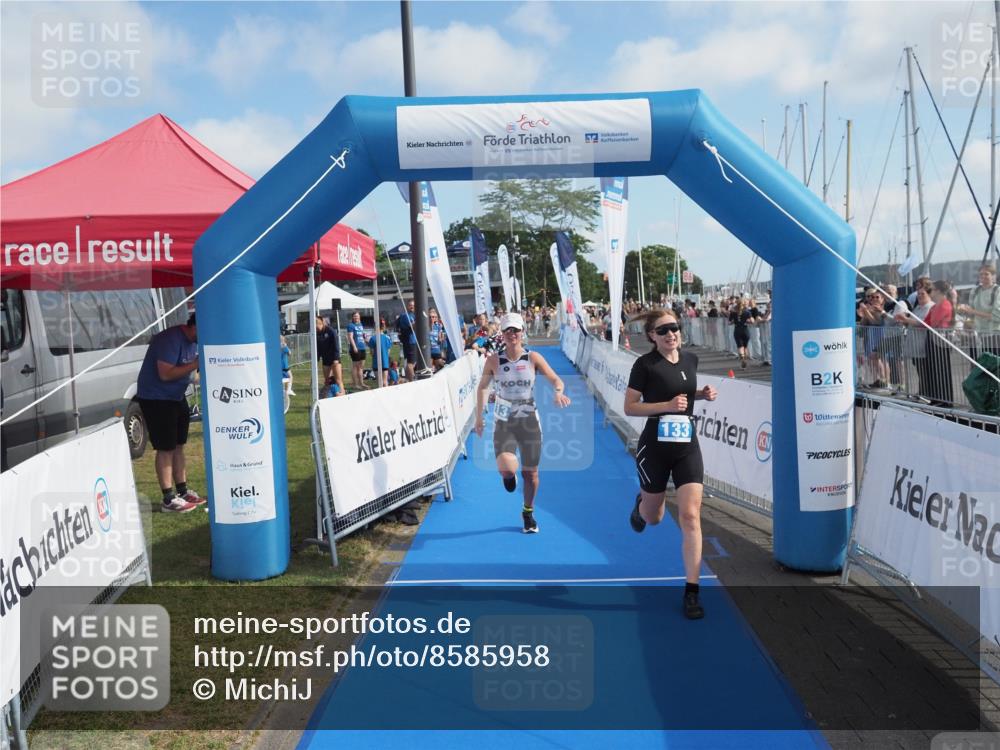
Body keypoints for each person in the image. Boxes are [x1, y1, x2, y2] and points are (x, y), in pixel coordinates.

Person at [623, 308, 718, 620]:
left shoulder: (691, 360)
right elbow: (630, 407)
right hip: (655, 446)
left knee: (690, 516)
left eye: (674, 327)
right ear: (652, 335)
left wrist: (701, 394)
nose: (671, 334)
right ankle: (641, 506)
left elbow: (685, 396)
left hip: (687, 446)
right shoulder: (644, 365)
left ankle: (692, 591)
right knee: (654, 518)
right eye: (663, 330)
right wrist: (666, 405)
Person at [474, 312, 571, 534]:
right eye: (508, 330)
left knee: (531, 474)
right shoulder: (494, 360)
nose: (512, 334)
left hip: (529, 421)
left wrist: (558, 392)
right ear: (502, 334)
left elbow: (556, 379)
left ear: (522, 332)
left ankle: (528, 512)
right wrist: (479, 417)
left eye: (516, 330)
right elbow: (482, 388)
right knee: (507, 469)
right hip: (504, 421)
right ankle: (509, 475)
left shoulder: (533, 358)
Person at [136, 313, 206, 513]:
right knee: (165, 448)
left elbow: (191, 376)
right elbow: (165, 374)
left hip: (176, 397)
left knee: (178, 445)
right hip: (156, 398)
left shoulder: (193, 343)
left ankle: (182, 492)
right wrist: (195, 364)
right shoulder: (170, 339)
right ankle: (168, 498)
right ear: (195, 326)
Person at [958, 263, 1000, 358]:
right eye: (981, 274)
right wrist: (966, 323)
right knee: (978, 362)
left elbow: (997, 316)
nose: (983, 276)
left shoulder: (998, 291)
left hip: (995, 334)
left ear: (993, 276)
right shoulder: (975, 291)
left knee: (994, 362)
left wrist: (973, 311)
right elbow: (970, 313)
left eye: (986, 274)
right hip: (978, 333)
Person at [315, 315, 343, 397]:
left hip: (334, 358)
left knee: (338, 380)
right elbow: (318, 347)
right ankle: (328, 396)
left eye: (317, 324)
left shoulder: (330, 331)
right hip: (325, 359)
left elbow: (336, 345)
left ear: (321, 323)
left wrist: (336, 358)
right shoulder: (316, 333)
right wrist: (317, 358)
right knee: (327, 380)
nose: (316, 327)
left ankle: (342, 394)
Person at [396, 300, 418, 382]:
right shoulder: (405, 316)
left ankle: (407, 379)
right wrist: (420, 319)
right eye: (410, 305)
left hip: (413, 341)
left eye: (413, 305)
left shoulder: (413, 315)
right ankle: (412, 380)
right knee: (411, 362)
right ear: (407, 306)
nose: (412, 307)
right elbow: (412, 327)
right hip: (410, 342)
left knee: (412, 362)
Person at [346, 312, 368, 389]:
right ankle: (355, 384)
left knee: (361, 367)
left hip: (362, 347)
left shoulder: (360, 325)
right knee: (355, 366)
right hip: (355, 348)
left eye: (357, 316)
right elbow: (350, 337)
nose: (356, 317)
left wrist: (365, 339)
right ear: (352, 317)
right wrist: (354, 347)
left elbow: (362, 335)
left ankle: (362, 383)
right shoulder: (350, 326)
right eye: (355, 316)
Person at [280, 335, 293, 414]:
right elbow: (289, 353)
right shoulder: (284, 347)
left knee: (283, 380)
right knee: (290, 377)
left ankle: (285, 391)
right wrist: (286, 346)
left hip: (279, 366)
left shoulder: (276, 347)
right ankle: (288, 390)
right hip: (285, 366)